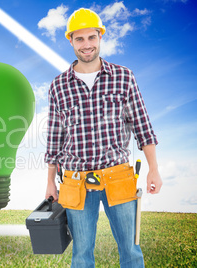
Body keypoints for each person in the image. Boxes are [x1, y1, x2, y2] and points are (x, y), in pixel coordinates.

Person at [44, 8, 162, 268]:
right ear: (71, 41)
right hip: (75, 182)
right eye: (80, 39)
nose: (87, 45)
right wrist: (51, 182)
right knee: (82, 255)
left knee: (131, 251)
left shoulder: (123, 77)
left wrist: (154, 169)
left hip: (118, 177)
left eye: (92, 37)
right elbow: (55, 138)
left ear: (100, 37)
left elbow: (143, 126)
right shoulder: (58, 86)